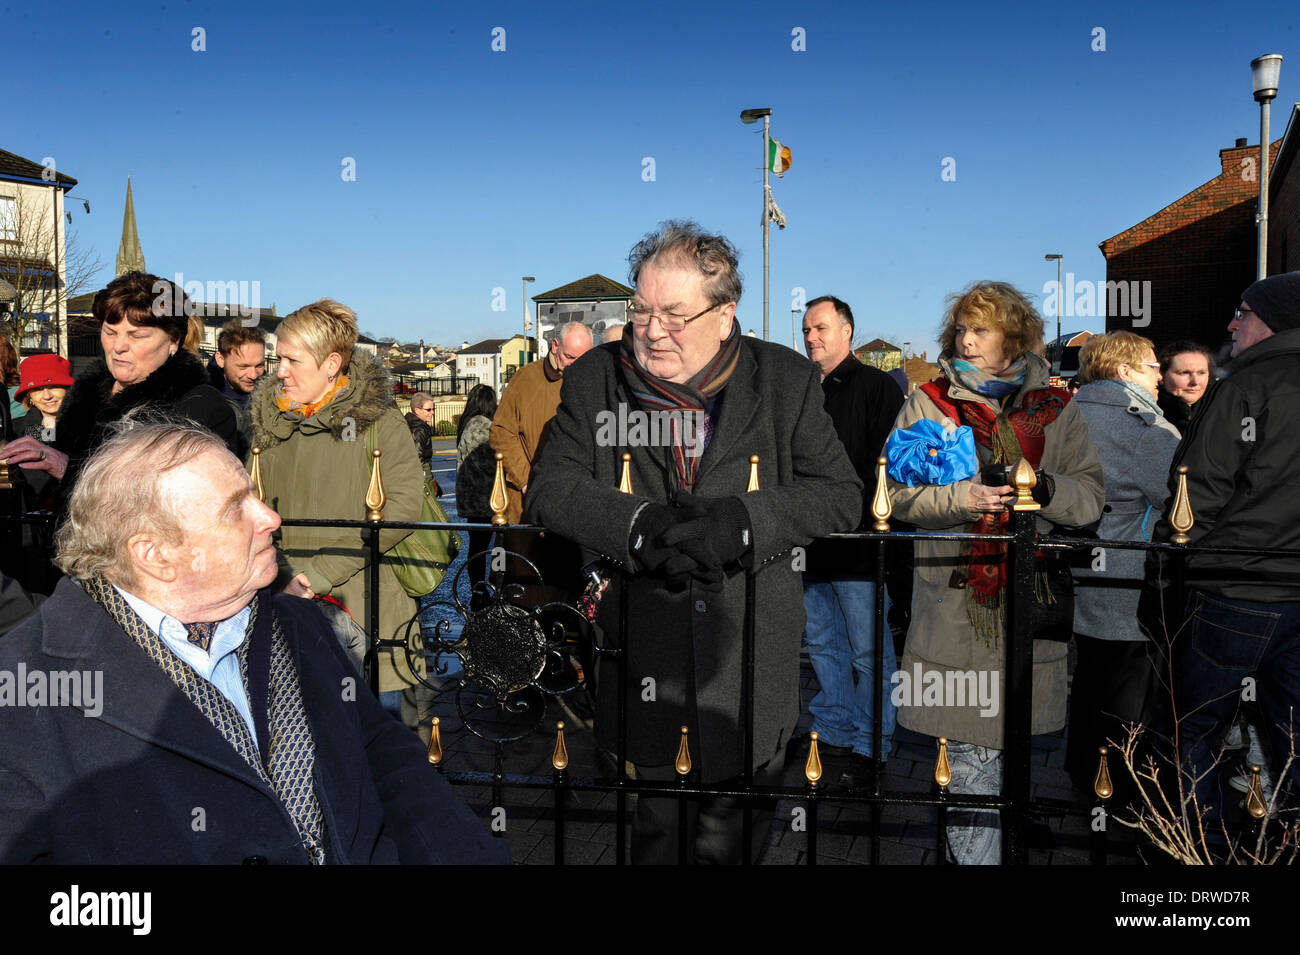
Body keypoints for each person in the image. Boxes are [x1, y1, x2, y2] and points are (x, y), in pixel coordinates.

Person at [0, 420, 506, 864]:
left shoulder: (300, 623)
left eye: (254, 494)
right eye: (235, 508)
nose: (270, 518)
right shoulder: (29, 689)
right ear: (154, 555)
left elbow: (388, 761)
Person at [526, 221, 861, 864]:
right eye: (642, 310)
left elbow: (843, 495)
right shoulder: (596, 377)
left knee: (733, 845)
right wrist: (635, 525)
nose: (653, 330)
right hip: (643, 657)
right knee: (657, 841)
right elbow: (549, 489)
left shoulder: (786, 381)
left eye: (674, 315)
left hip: (748, 669)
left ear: (725, 312)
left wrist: (745, 521)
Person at [885, 280, 1103, 864]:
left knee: (1009, 760)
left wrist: (1044, 489)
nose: (966, 338)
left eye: (980, 328)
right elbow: (894, 496)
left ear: (1014, 339)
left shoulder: (1055, 408)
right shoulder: (928, 400)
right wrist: (964, 497)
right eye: (960, 328)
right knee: (968, 765)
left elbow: (1090, 498)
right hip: (955, 608)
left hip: (1031, 606)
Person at [248, 299, 432, 739]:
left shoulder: (380, 424)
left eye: (293, 360)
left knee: (389, 756)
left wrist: (318, 576)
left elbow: (401, 508)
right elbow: (247, 511)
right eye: (279, 358)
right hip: (284, 610)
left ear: (332, 364)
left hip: (370, 616)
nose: (280, 371)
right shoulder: (268, 427)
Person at [1164, 271, 1300, 829]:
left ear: (1273, 319)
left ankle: (1202, 852)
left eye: (1242, 311)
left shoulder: (1246, 385)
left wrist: (1177, 559)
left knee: (1192, 727)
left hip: (1237, 587)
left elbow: (1196, 495)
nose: (1232, 323)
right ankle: (1286, 841)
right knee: (1291, 736)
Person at [0, 272, 242, 492]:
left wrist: (70, 470)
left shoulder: (200, 408)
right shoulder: (84, 398)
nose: (118, 347)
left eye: (137, 335)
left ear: (173, 340)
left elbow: (175, 499)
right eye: (110, 332)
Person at [798, 295, 904, 790]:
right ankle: (835, 726)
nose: (811, 337)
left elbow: (889, 467)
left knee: (868, 652)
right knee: (823, 645)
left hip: (859, 543)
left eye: (820, 327)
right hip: (811, 541)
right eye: (806, 330)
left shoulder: (878, 388)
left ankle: (873, 741)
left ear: (847, 331)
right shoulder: (802, 390)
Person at [1066, 332, 1178, 798]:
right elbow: (1177, 503)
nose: (1160, 378)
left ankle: (1082, 775)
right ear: (1124, 370)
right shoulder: (1147, 428)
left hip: (1075, 569)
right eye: (1153, 367)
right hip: (1128, 576)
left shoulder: (1064, 415)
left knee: (1089, 678)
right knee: (1128, 694)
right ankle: (1120, 788)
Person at [490, 320, 593, 605]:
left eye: (583, 359)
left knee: (569, 592)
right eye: (570, 358)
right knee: (528, 590)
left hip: (572, 504)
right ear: (555, 346)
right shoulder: (526, 379)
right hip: (527, 508)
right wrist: (525, 480)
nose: (575, 366)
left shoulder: (590, 381)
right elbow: (500, 431)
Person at [455, 383, 499, 590]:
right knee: (495, 546)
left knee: (477, 547)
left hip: (472, 497)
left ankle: (478, 588)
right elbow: (491, 462)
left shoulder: (467, 423)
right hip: (486, 497)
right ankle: (489, 587)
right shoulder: (482, 425)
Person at [1156, 340, 1215, 434]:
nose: (1195, 382)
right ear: (1161, 375)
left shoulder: (1223, 413)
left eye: (1201, 373)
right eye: (1184, 373)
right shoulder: (1151, 418)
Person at [12, 353, 73, 440]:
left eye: (53, 387)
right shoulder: (14, 431)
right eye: (37, 389)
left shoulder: (91, 425)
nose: (47, 396)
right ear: (29, 397)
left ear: (68, 389)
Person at [406, 392, 435, 469]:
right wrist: (427, 477)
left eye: (433, 409)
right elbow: (417, 458)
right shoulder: (419, 429)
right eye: (428, 410)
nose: (432, 412)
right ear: (417, 411)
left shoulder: (408, 424)